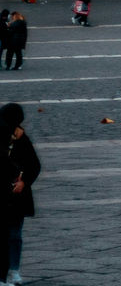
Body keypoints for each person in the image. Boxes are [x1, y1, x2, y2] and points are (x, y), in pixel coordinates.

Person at [0, 101, 37, 284]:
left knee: (14, 235)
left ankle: (14, 271)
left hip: (15, 195)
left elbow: (33, 165)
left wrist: (24, 181)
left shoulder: (22, 139)